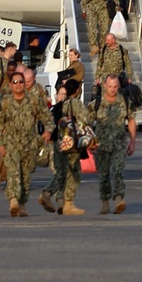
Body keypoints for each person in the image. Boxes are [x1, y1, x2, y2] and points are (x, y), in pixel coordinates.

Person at [39, 78, 88, 216]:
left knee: (60, 172)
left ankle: (47, 193)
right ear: (78, 90)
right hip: (72, 144)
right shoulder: (76, 104)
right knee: (74, 173)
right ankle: (68, 203)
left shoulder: (60, 105)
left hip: (58, 143)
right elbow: (85, 121)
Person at [0, 68, 37, 217]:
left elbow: (46, 117)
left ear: (25, 84)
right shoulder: (5, 103)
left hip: (28, 144)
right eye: (15, 82)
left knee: (24, 175)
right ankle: (13, 201)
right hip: (10, 143)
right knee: (13, 172)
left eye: (21, 82)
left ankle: (22, 203)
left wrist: (48, 131)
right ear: (10, 85)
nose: (18, 85)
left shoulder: (33, 101)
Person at [92, 74, 136, 213]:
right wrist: (89, 143)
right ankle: (105, 202)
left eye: (115, 86)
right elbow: (85, 122)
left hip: (119, 144)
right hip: (101, 146)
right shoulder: (96, 103)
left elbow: (131, 120)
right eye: (110, 86)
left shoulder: (125, 102)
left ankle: (118, 199)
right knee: (104, 175)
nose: (112, 89)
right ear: (104, 86)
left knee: (117, 172)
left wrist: (133, 141)